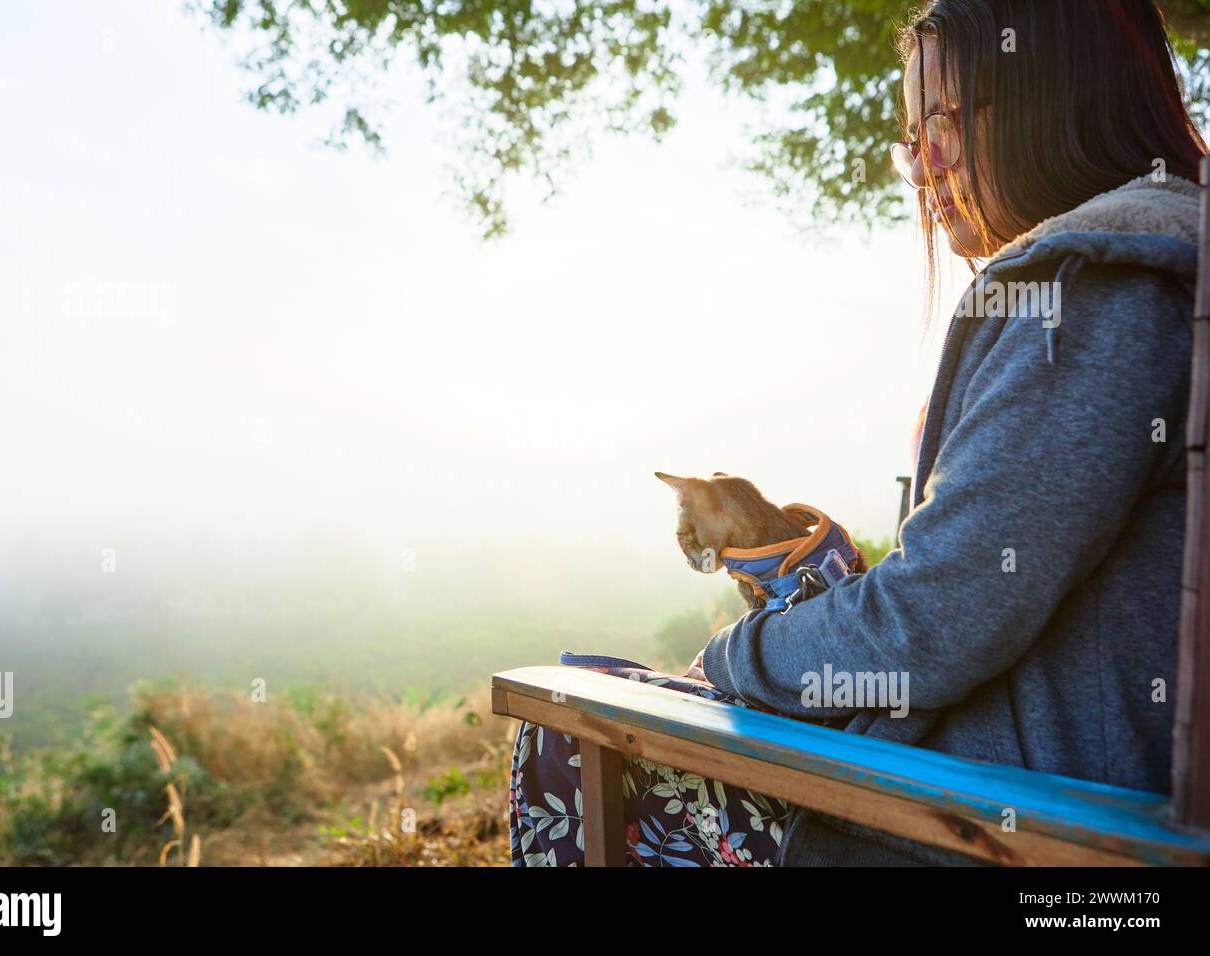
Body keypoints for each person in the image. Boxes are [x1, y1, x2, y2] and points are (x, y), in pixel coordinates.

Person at [509, 0, 1208, 866]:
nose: (923, 170)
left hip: (1017, 829)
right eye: (910, 141)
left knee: (569, 740)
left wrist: (732, 658)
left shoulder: (1098, 287)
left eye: (940, 125)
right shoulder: (1157, 260)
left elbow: (935, 626)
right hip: (1025, 789)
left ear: (1056, 99)